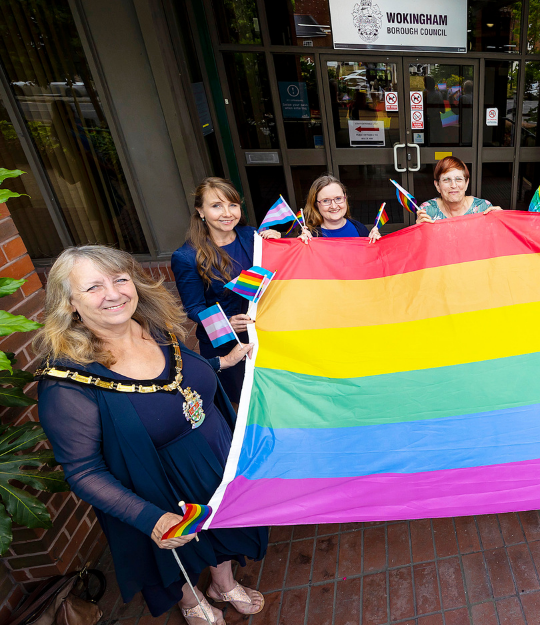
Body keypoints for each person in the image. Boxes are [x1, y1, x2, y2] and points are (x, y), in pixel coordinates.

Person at [34, 246, 267, 624]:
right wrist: (150, 519)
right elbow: (83, 471)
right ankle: (191, 599)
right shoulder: (67, 384)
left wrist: (220, 363)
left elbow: (174, 382)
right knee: (178, 553)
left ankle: (221, 584)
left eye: (120, 279)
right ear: (70, 303)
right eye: (93, 287)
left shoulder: (154, 328)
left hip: (216, 461)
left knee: (223, 532)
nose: (113, 293)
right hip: (158, 488)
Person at [172, 177, 266, 405]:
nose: (227, 213)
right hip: (225, 339)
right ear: (200, 211)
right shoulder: (186, 256)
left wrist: (277, 241)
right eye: (216, 206)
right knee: (240, 401)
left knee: (265, 394)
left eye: (232, 205)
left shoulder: (251, 235)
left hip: (261, 329)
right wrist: (227, 323)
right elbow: (193, 308)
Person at [275, 174, 380, 244]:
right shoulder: (308, 235)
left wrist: (377, 244)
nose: (334, 206)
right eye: (326, 201)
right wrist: (300, 246)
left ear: (345, 199)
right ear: (316, 204)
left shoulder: (360, 229)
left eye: (338, 198)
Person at [416, 156, 502, 223]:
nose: (453, 185)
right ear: (437, 185)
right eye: (446, 180)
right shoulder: (427, 211)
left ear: (466, 183)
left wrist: (502, 219)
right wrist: (418, 230)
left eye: (458, 179)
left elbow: (494, 239)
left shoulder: (483, 208)